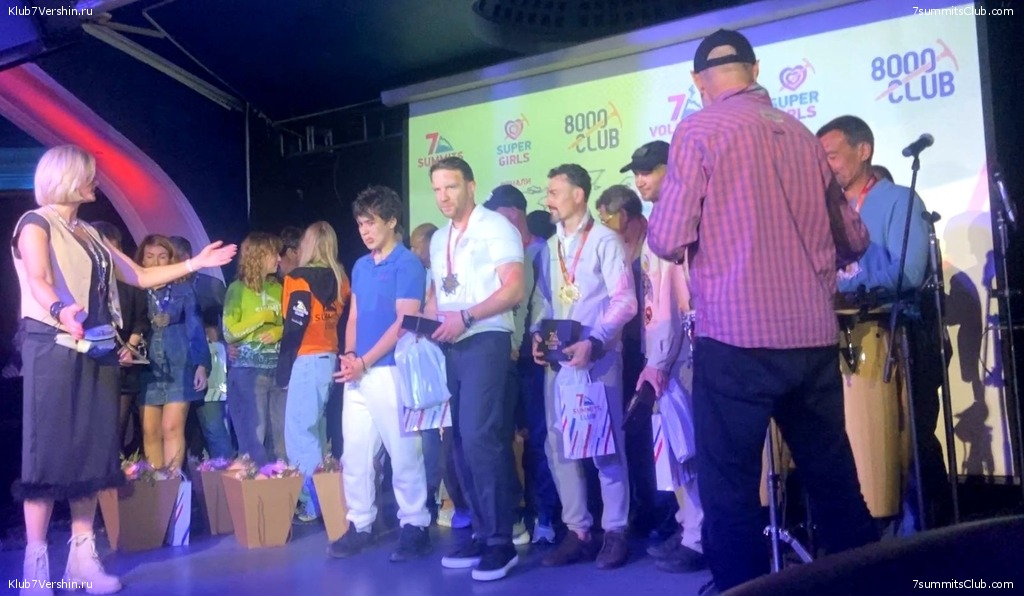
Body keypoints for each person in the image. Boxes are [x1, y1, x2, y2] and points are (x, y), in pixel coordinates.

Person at [647, 30, 877, 593]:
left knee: (729, 491)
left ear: (699, 81)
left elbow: (667, 237)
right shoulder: (802, 135)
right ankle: (872, 585)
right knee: (834, 483)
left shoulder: (698, 130)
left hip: (737, 340)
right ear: (754, 70)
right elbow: (853, 238)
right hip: (811, 339)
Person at [13, 144, 235, 595]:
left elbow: (138, 276)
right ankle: (34, 569)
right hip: (53, 345)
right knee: (48, 453)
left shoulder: (90, 234)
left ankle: (82, 560)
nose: (95, 181)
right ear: (65, 177)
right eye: (88, 173)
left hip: (95, 347)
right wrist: (61, 309)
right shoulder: (35, 222)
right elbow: (39, 279)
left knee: (93, 452)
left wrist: (194, 262)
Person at [817, 115, 950, 529]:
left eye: (832, 155)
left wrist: (845, 285)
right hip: (846, 339)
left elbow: (908, 272)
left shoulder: (899, 200)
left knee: (910, 441)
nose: (826, 165)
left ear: (864, 151)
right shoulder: (825, 210)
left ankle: (929, 536)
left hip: (901, 338)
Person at [528, 164, 637, 570]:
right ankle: (578, 531)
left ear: (578, 195)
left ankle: (616, 530)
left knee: (606, 445)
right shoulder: (549, 248)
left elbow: (625, 301)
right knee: (559, 445)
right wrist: (537, 334)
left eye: (554, 192)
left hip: (597, 357)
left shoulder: (605, 240)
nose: (548, 200)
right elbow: (543, 302)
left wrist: (595, 341)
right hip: (559, 363)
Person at [425, 156, 524, 582]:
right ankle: (483, 533)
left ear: (470, 185)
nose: (443, 196)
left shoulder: (495, 227)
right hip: (450, 344)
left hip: (486, 337)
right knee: (461, 442)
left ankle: (502, 540)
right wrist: (427, 322)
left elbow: (514, 287)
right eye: (436, 189)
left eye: (450, 187)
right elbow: (437, 293)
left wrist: (466, 317)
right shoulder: (439, 239)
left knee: (482, 436)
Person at [328, 185, 432, 561]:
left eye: (371, 223)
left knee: (404, 452)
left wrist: (365, 361)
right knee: (354, 453)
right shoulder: (360, 265)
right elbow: (354, 316)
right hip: (359, 371)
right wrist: (350, 355)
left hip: (391, 370)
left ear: (391, 221)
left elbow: (404, 323)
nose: (364, 231)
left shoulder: (407, 264)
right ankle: (360, 523)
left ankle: (414, 523)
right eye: (360, 224)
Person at [621, 140, 706, 573]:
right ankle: (688, 525)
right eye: (636, 172)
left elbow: (673, 301)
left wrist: (659, 361)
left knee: (687, 449)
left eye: (648, 170)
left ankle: (700, 538)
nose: (640, 179)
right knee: (673, 451)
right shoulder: (661, 219)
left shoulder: (678, 220)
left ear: (669, 170)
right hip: (663, 351)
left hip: (679, 352)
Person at [484, 184, 559, 546]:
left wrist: (535, 342)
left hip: (534, 360)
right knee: (503, 438)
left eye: (498, 214)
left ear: (514, 213)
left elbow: (549, 305)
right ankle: (512, 514)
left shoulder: (543, 252)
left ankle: (545, 516)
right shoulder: (496, 254)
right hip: (500, 358)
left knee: (541, 439)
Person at [280, 221, 350, 522]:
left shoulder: (297, 279)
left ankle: (314, 503)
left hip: (306, 358)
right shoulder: (341, 279)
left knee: (299, 433)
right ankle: (326, 498)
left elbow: (294, 327)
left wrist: (283, 370)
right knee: (316, 432)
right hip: (329, 358)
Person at [409, 221, 472, 529]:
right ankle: (437, 496)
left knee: (449, 433)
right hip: (429, 365)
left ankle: (452, 499)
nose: (413, 252)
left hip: (451, 358)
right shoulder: (421, 276)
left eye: (416, 246)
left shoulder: (447, 273)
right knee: (431, 434)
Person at [136, 234, 211, 473]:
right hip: (148, 367)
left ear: (170, 260)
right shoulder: (137, 289)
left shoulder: (183, 289)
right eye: (149, 257)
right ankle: (156, 484)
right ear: (142, 260)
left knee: (171, 427)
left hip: (180, 363)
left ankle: (172, 482)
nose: (155, 262)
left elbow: (195, 328)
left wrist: (201, 365)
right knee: (150, 430)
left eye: (162, 257)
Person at [223, 232, 286, 464]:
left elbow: (289, 325)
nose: (278, 259)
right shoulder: (237, 289)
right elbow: (229, 332)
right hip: (249, 372)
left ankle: (282, 483)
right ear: (258, 256)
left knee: (281, 438)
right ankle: (251, 483)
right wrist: (261, 318)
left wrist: (279, 331)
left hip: (278, 372)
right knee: (254, 439)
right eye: (273, 254)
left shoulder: (278, 288)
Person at [90, 221, 149, 457]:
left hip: (124, 364)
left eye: (113, 250)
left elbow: (141, 319)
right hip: (92, 362)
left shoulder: (129, 280)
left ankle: (115, 470)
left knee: (116, 430)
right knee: (92, 429)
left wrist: (130, 348)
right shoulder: (84, 280)